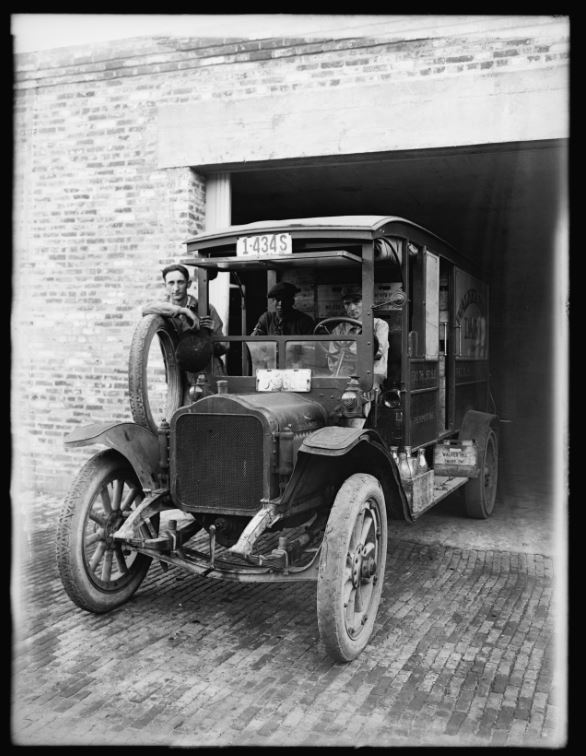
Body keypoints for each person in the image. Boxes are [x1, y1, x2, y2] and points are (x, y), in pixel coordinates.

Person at [142, 263, 228, 374]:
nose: (176, 288)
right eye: (171, 283)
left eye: (180, 282)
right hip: (177, 378)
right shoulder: (162, 310)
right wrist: (183, 311)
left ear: (188, 284)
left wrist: (212, 334)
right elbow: (145, 310)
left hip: (207, 375)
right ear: (165, 286)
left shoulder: (206, 308)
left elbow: (224, 347)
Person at [327, 286, 389, 384]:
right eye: (347, 303)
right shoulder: (339, 329)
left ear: (366, 303)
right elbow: (332, 356)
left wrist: (347, 353)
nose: (352, 308)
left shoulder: (379, 325)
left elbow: (377, 352)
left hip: (371, 374)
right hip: (344, 374)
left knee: (367, 393)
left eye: (356, 302)